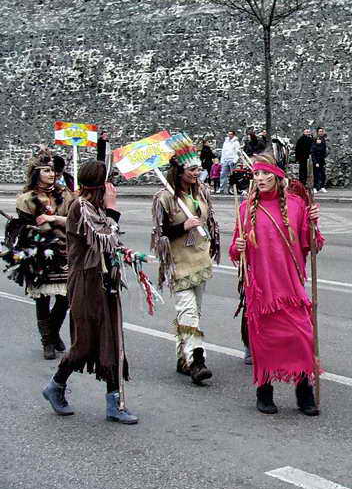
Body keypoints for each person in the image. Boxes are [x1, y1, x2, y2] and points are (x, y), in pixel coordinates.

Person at [41, 160, 138, 424]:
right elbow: (104, 235)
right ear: (99, 185)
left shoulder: (95, 207)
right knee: (83, 344)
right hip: (86, 283)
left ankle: (114, 403)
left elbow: (112, 243)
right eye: (108, 181)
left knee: (112, 341)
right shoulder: (81, 207)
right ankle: (56, 386)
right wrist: (113, 209)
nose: (112, 186)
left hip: (104, 281)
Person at [230, 154, 323, 415]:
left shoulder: (296, 206)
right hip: (261, 288)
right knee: (264, 342)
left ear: (277, 176)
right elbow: (236, 251)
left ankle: (304, 391)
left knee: (303, 337)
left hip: (290, 288)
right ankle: (264, 391)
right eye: (257, 175)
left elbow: (312, 244)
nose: (260, 179)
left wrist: (313, 222)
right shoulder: (245, 208)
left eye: (265, 174)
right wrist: (238, 247)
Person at [150, 145, 221, 386]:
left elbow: (209, 222)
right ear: (179, 171)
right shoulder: (165, 198)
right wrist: (183, 227)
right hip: (179, 262)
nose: (197, 172)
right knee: (188, 312)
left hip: (199, 259)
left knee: (193, 313)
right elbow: (159, 234)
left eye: (198, 168)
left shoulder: (201, 192)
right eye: (192, 169)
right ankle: (197, 361)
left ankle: (183, 358)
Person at [2, 151, 70, 359]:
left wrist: (58, 220)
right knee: (42, 298)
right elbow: (23, 230)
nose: (51, 174)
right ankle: (47, 342)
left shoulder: (66, 195)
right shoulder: (26, 199)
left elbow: (73, 220)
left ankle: (54, 331)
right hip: (40, 252)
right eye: (46, 170)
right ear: (36, 173)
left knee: (65, 298)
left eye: (53, 170)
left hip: (65, 250)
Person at [219, 130, 240, 195]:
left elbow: (238, 152)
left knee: (233, 175)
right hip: (225, 160)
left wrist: (235, 160)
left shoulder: (236, 142)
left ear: (233, 135)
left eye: (231, 134)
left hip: (232, 160)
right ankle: (222, 188)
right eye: (228, 134)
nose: (229, 135)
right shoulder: (226, 142)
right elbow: (223, 151)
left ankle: (234, 188)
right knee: (223, 174)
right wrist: (222, 161)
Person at [311, 127, 328, 192]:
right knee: (316, 174)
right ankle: (315, 187)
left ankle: (322, 186)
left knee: (323, 174)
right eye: (320, 131)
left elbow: (324, 150)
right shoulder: (315, 139)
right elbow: (313, 152)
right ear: (317, 132)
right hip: (316, 160)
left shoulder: (323, 139)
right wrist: (315, 162)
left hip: (322, 160)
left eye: (322, 131)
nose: (321, 132)